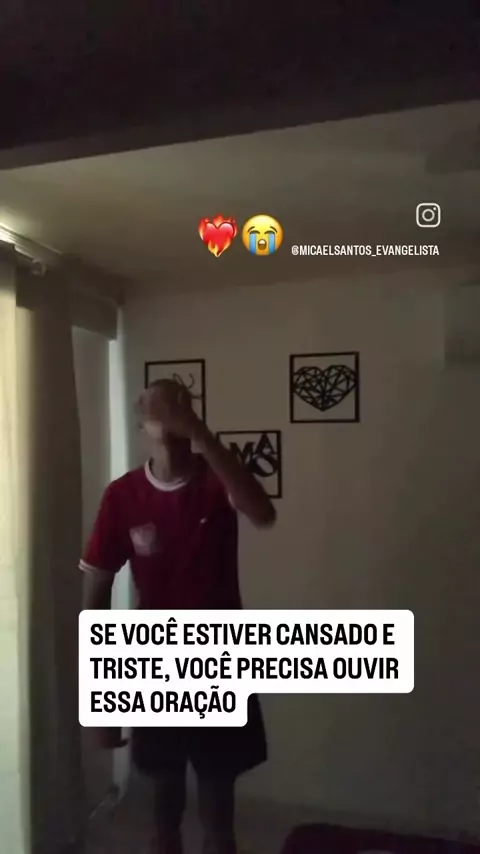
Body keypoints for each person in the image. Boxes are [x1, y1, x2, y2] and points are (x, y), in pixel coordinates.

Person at [80, 378, 276, 854]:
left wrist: (198, 431)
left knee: (218, 816)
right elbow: (96, 596)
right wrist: (100, 701)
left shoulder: (216, 479)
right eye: (156, 404)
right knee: (163, 810)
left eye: (179, 404)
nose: (167, 412)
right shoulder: (122, 496)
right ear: (140, 422)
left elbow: (262, 513)